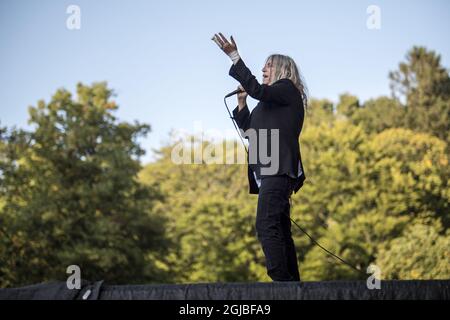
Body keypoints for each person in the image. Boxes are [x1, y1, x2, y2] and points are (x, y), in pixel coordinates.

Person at [212, 33, 308, 281]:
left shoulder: (287, 90)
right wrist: (242, 104)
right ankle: (293, 286)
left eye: (268, 65)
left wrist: (234, 57)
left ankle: (281, 285)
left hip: (278, 169)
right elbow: (249, 133)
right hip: (271, 172)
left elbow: (257, 89)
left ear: (282, 70)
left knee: (266, 225)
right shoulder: (269, 104)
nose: (263, 68)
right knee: (280, 230)